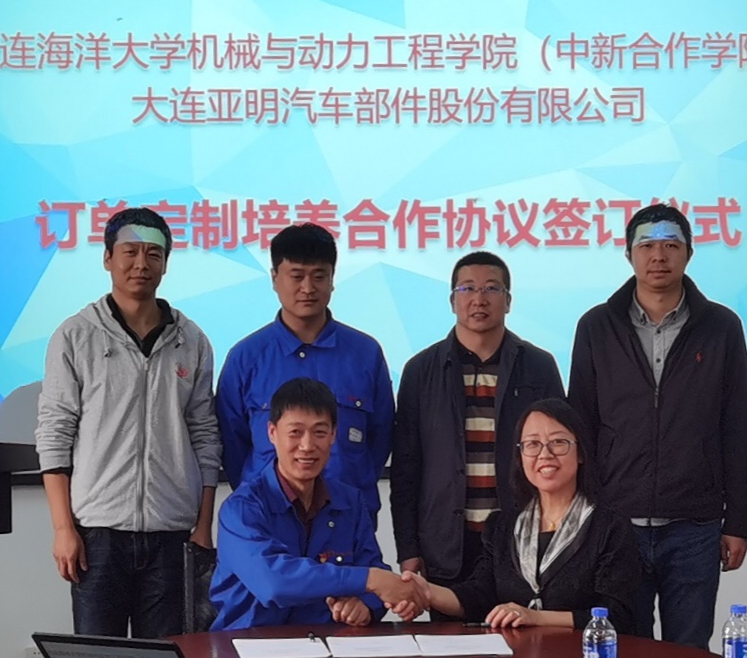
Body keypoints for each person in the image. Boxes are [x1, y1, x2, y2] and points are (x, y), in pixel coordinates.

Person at [568, 203, 747, 649]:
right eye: (647, 246)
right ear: (629, 255)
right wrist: (582, 515)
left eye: (671, 245)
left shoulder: (721, 326)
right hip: (617, 522)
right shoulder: (596, 326)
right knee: (625, 650)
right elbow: (581, 425)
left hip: (694, 524)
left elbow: (737, 427)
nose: (658, 256)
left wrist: (738, 523)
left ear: (689, 253)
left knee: (688, 654)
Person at [36, 207, 221, 638]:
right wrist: (63, 529)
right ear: (107, 258)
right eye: (130, 252)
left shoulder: (191, 341)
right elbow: (55, 433)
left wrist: (203, 526)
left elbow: (205, 435)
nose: (142, 263)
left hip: (172, 535)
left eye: (153, 254)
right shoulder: (75, 335)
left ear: (166, 264)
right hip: (97, 535)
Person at [390, 252, 565, 599]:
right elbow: (406, 468)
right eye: (467, 288)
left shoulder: (538, 366)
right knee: (448, 633)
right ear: (452, 300)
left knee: (524, 633)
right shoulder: (421, 370)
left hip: (523, 541)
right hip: (445, 545)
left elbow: (561, 457)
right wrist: (408, 548)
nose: (479, 299)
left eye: (491, 289)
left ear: (508, 301)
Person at [397, 398, 640, 631]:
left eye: (558, 442)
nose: (545, 454)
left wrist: (536, 618)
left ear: (581, 452)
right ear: (520, 456)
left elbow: (618, 616)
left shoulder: (611, 527)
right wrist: (427, 592)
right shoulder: (502, 526)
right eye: (532, 444)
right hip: (519, 656)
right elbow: (479, 596)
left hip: (584, 655)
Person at [210, 378, 425, 630]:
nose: (307, 446)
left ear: (333, 435)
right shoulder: (241, 509)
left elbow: (374, 570)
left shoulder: (350, 502)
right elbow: (273, 583)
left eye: (320, 432)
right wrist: (368, 580)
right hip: (247, 645)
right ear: (272, 433)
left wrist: (364, 605)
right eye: (295, 432)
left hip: (331, 645)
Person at [216, 224, 394, 524]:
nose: (308, 288)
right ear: (274, 278)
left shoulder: (365, 353)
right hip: (267, 520)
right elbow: (232, 444)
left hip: (348, 521)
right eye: (297, 276)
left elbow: (380, 438)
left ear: (332, 280)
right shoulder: (246, 357)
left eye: (319, 276)